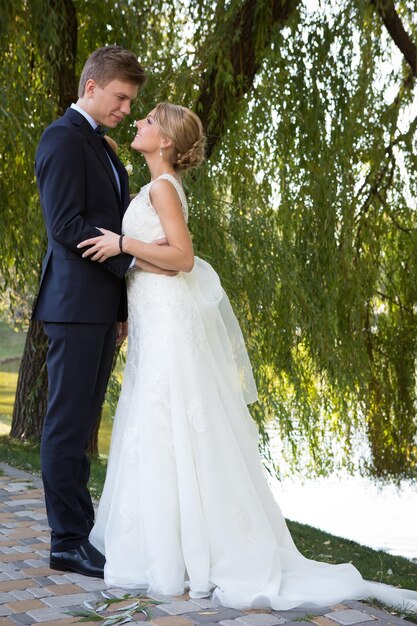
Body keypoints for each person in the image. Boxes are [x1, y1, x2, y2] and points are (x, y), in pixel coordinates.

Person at [78, 103, 417, 611]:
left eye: (148, 121)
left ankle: (190, 551)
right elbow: (164, 261)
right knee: (157, 423)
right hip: (156, 315)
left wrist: (122, 242)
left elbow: (182, 257)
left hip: (171, 320)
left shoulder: (164, 189)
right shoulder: (153, 187)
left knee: (172, 420)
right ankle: (166, 544)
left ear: (166, 141)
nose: (139, 124)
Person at [33, 45, 150, 579]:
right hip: (75, 306)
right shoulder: (63, 138)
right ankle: (67, 540)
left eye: (130, 101)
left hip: (101, 309)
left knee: (83, 427)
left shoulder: (102, 146)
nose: (126, 109)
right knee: (66, 425)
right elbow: (65, 224)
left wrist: (122, 307)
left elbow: (107, 224)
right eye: (121, 98)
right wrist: (129, 256)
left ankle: (81, 528)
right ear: (92, 88)